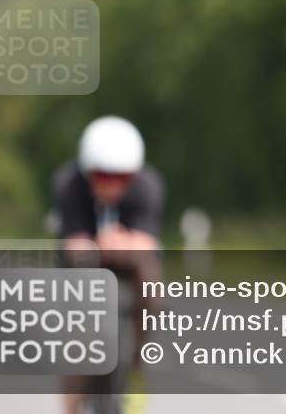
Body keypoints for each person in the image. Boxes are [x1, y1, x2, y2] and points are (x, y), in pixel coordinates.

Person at [52, 115, 164, 414]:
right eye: (103, 177)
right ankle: (72, 405)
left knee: (152, 286)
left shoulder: (148, 186)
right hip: (82, 268)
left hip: (130, 266)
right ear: (88, 173)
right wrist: (115, 243)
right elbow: (74, 248)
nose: (112, 185)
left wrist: (109, 244)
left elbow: (145, 245)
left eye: (122, 178)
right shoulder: (69, 184)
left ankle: (137, 369)